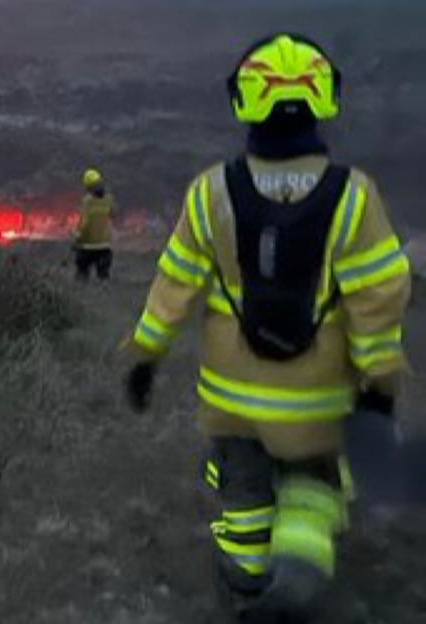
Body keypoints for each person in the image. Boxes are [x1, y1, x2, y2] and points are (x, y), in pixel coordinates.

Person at [120, 34, 411, 622]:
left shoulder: (209, 194)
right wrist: (380, 383)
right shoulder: (355, 198)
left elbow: (174, 286)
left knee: (244, 502)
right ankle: (299, 572)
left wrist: (144, 356)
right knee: (313, 487)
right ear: (324, 99)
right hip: (317, 401)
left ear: (243, 104)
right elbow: (379, 299)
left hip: (231, 403)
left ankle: (246, 587)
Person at [73, 169, 115, 281]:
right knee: (103, 278)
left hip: (88, 247)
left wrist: (77, 238)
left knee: (82, 275)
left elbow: (85, 224)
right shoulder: (109, 199)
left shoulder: (87, 202)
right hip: (105, 246)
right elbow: (112, 214)